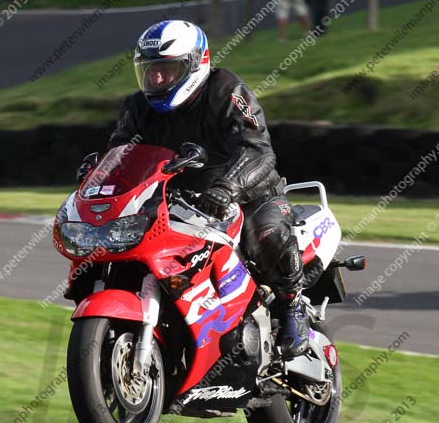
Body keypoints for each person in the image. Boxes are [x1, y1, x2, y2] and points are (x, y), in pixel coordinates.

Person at [71, 20, 309, 359]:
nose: (156, 79)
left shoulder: (226, 91)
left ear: (195, 64)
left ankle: (292, 305)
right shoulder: (137, 107)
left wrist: (228, 186)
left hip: (247, 194)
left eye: (166, 70)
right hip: (173, 200)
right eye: (150, 70)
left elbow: (257, 149)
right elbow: (121, 154)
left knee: (267, 233)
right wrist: (98, 174)